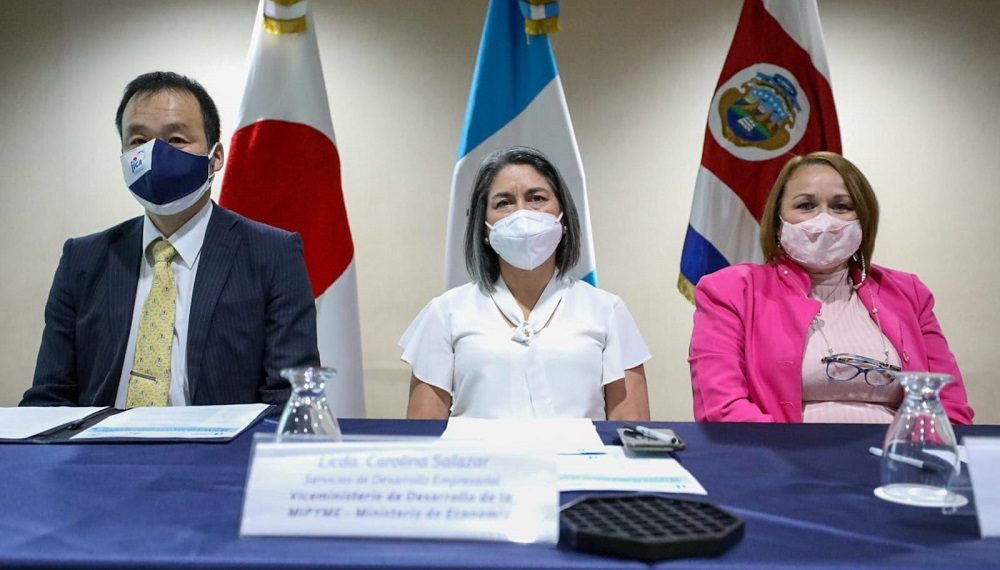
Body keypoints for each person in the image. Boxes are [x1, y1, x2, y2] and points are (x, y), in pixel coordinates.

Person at [20, 71, 319, 408]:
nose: (154, 155)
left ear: (216, 157)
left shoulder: (272, 254)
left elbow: (290, 398)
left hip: (223, 441)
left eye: (176, 139)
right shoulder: (83, 259)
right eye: (138, 141)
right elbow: (49, 396)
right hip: (102, 440)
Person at [689, 151, 974, 424]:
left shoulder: (909, 292)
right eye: (806, 205)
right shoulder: (731, 291)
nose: (824, 220)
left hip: (896, 454)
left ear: (864, 220)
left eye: (841, 206)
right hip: (780, 455)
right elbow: (722, 408)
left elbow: (950, 408)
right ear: (777, 223)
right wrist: (787, 453)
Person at [401, 146, 650, 420]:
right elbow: (424, 434)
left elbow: (630, 431)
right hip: (478, 450)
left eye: (536, 198)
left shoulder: (607, 311)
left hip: (579, 450)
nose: (521, 214)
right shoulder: (445, 313)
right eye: (504, 203)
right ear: (484, 228)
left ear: (563, 216)